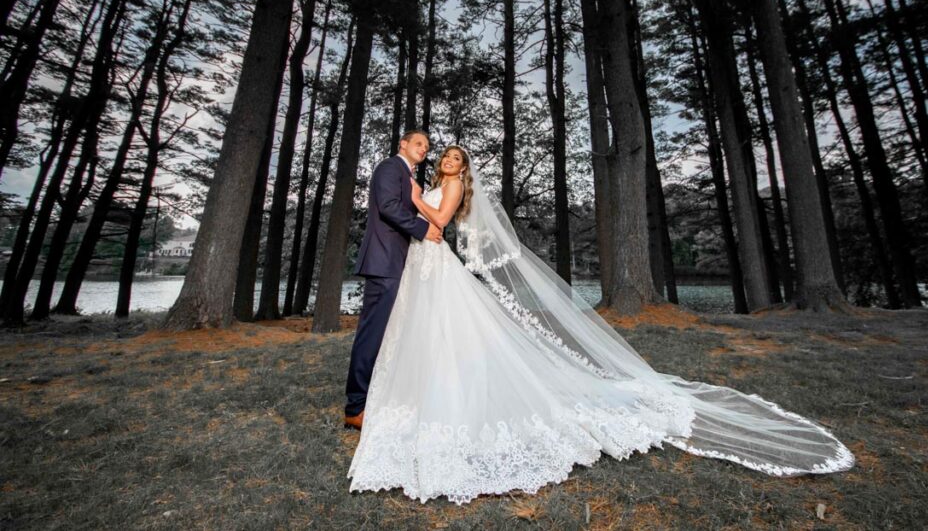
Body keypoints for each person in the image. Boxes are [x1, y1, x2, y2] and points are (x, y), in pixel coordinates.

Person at [347, 144, 854, 504]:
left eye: (456, 158)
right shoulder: (429, 180)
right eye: (445, 156)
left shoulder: (450, 186)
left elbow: (436, 223)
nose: (449, 162)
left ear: (464, 168)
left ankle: (422, 392)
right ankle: (401, 390)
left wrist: (416, 198)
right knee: (419, 328)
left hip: (433, 257)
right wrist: (417, 193)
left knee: (444, 327)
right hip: (420, 265)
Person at [343, 130, 443, 430]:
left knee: (390, 333)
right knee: (372, 333)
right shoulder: (390, 167)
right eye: (418, 143)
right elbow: (387, 207)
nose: (423, 148)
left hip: (400, 262)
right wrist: (422, 229)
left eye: (427, 146)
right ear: (403, 144)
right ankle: (355, 407)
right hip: (384, 261)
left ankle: (375, 396)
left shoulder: (409, 176)